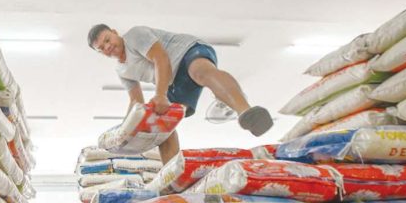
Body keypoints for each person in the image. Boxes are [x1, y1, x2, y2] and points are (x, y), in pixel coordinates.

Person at [88, 24, 274, 164]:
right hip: (172, 81)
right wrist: (124, 132)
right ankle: (171, 172)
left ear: (114, 32)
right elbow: (136, 101)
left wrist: (160, 95)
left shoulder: (134, 36)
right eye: (101, 48)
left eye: (107, 40)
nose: (107, 47)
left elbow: (161, 58)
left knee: (200, 72)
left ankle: (246, 112)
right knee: (160, 123)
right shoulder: (122, 70)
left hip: (187, 52)